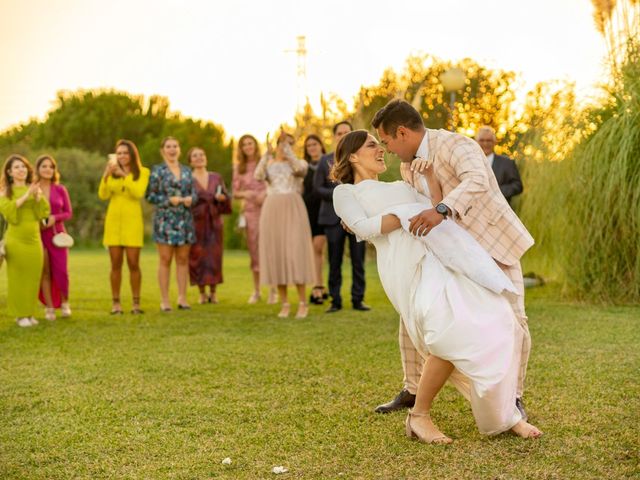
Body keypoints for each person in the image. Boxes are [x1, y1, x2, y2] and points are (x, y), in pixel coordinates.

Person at [332, 130, 542, 442]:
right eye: (372, 145)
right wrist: (405, 215)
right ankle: (420, 416)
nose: (381, 151)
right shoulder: (345, 193)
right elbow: (363, 229)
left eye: (381, 145)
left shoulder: (399, 185)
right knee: (447, 331)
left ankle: (502, 412)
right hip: (406, 266)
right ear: (352, 156)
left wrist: (430, 177)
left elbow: (434, 207)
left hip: (438, 259)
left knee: (493, 318)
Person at [371, 100, 534, 422]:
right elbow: (412, 205)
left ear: (402, 132)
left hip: (492, 244)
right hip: (448, 252)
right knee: (413, 314)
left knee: (515, 321)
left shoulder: (457, 144)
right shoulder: (407, 166)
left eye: (387, 141)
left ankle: (513, 398)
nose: (387, 150)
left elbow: (477, 181)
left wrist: (441, 210)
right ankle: (413, 388)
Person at [255, 131, 315, 318]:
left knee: (295, 252)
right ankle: (285, 303)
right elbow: (257, 176)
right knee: (277, 252)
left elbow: (300, 170)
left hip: (293, 207)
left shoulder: (299, 163)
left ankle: (303, 302)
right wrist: (267, 153)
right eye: (281, 143)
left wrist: (288, 151)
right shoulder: (269, 164)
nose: (283, 147)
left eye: (288, 143)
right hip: (272, 207)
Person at [313, 121, 369, 313]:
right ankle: (335, 300)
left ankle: (358, 299)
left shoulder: (359, 159)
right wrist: (340, 195)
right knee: (334, 261)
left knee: (357, 259)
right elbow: (317, 188)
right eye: (340, 133)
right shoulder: (325, 160)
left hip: (357, 217)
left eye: (347, 132)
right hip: (331, 218)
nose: (343, 135)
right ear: (334, 136)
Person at [145, 136, 197, 311]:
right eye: (169, 146)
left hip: (184, 219)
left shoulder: (187, 171)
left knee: (183, 259)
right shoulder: (157, 171)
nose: (172, 149)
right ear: (163, 150)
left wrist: (191, 199)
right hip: (165, 220)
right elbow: (150, 196)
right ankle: (165, 299)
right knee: (165, 259)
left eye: (175, 146)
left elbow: (194, 193)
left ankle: (182, 298)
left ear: (179, 149)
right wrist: (168, 200)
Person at [99, 139, 150, 314]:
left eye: (125, 153)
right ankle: (116, 304)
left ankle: (136, 304)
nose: (121, 156)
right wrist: (106, 176)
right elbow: (103, 195)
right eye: (119, 153)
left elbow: (137, 192)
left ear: (132, 155)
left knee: (134, 263)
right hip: (113, 223)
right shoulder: (111, 173)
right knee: (115, 264)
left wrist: (124, 175)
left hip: (132, 223)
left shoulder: (143, 172)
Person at [0, 155, 50, 327]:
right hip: (16, 240)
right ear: (9, 172)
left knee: (33, 277)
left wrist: (36, 197)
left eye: (23, 167)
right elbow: (9, 213)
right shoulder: (5, 192)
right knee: (17, 278)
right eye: (16, 167)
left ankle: (29, 313)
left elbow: (43, 212)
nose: (21, 170)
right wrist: (27, 195)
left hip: (34, 240)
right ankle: (20, 315)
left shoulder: (34, 189)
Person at [231, 134, 275, 304]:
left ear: (256, 145)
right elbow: (235, 192)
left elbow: (274, 183)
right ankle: (256, 291)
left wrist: (265, 193)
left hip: (267, 208)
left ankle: (273, 290)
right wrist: (246, 193)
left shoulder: (266, 162)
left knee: (269, 249)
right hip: (250, 212)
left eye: (250, 143)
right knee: (254, 250)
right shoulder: (239, 168)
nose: (248, 147)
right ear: (241, 149)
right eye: (244, 145)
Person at [187, 147, 232, 304]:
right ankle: (201, 293)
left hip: (214, 222)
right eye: (195, 156)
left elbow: (226, 197)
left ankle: (213, 292)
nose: (199, 158)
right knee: (197, 256)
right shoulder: (188, 178)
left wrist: (222, 198)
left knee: (214, 256)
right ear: (190, 161)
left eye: (202, 155)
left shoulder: (216, 177)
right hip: (196, 221)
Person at [35, 155, 73, 321]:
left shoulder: (60, 189)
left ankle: (65, 303)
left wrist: (54, 218)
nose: (48, 169)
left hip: (58, 235)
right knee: (45, 271)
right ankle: (49, 308)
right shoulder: (33, 189)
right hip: (38, 234)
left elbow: (68, 212)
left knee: (62, 271)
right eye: (44, 166)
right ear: (38, 169)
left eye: (51, 166)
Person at [302, 134, 328, 305]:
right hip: (310, 212)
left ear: (321, 146)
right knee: (316, 248)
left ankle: (324, 285)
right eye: (308, 145)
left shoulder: (328, 164)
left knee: (325, 250)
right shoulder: (304, 168)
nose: (312, 147)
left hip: (327, 210)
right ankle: (317, 286)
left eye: (315, 144)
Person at [475, 126, 523, 204]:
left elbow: (517, 186)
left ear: (494, 142)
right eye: (482, 140)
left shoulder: (507, 162)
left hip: (501, 209)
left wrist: (497, 192)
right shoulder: (470, 162)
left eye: (489, 140)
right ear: (476, 142)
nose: (485, 143)